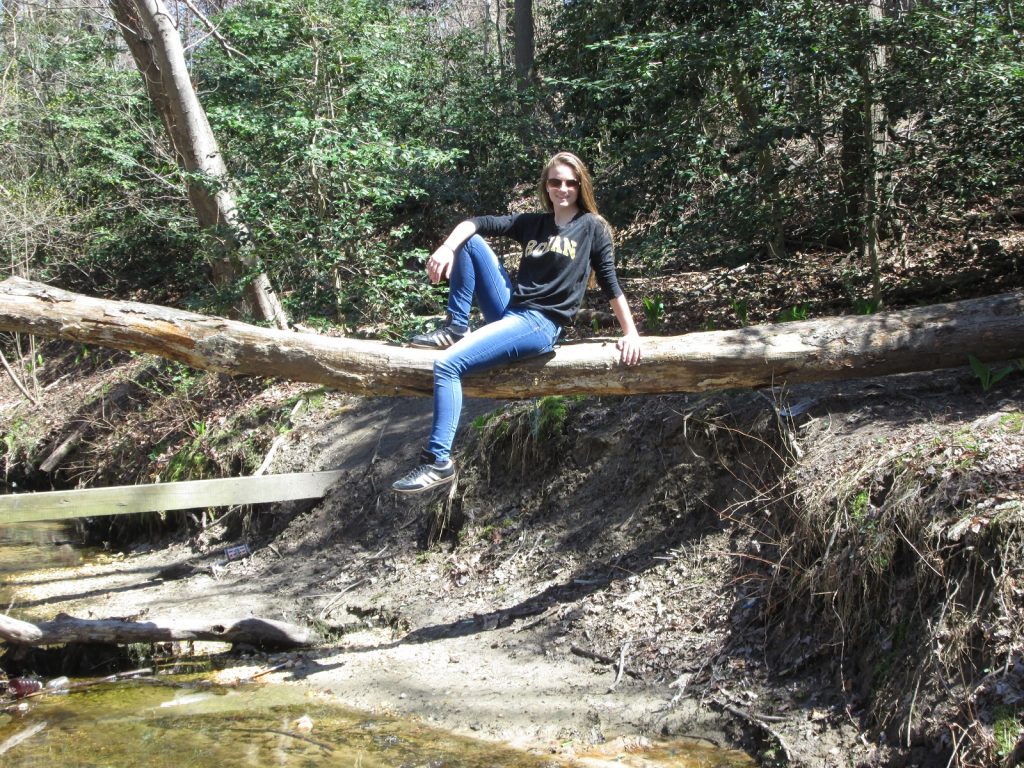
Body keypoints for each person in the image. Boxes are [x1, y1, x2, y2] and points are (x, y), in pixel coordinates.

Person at [391, 151, 642, 494]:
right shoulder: (534, 223)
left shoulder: (592, 227)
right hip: (513, 310)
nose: (563, 188)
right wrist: (447, 248)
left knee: (447, 366)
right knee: (470, 241)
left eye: (570, 182)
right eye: (556, 182)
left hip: (541, 323)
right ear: (546, 185)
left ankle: (438, 461)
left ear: (580, 185)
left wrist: (631, 333)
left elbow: (611, 282)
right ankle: (456, 327)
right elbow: (475, 223)